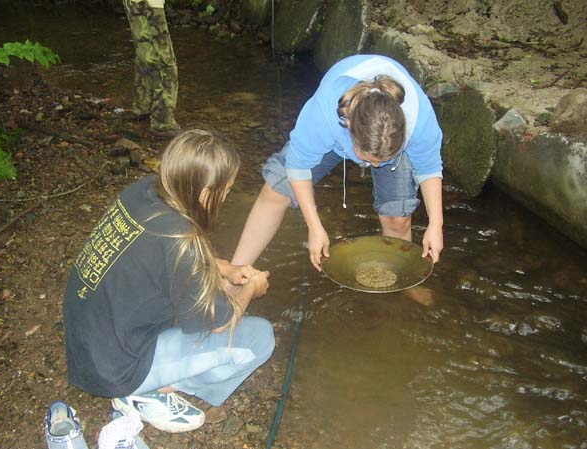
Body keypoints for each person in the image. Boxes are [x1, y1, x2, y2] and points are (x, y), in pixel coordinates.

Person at [63, 130, 274, 433]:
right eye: (225, 191)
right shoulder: (182, 241)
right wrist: (252, 288)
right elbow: (218, 323)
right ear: (205, 193)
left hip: (87, 341)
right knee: (260, 337)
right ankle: (145, 392)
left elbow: (161, 254)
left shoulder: (144, 191)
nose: (226, 197)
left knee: (200, 297)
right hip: (116, 368)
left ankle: (150, 381)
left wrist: (224, 268)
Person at [231, 54, 444, 272]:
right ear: (348, 124)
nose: (375, 167)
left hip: (383, 138)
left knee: (397, 220)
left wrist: (436, 225)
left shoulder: (419, 121)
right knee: (275, 190)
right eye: (368, 160)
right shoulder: (323, 115)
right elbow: (298, 168)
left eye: (382, 161)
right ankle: (236, 271)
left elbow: (429, 168)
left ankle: (401, 282)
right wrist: (314, 226)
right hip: (334, 135)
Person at [122, 0, 183, 138]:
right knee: (164, 64)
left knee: (146, 54)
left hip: (136, 3)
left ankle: (143, 107)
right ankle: (163, 122)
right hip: (149, 4)